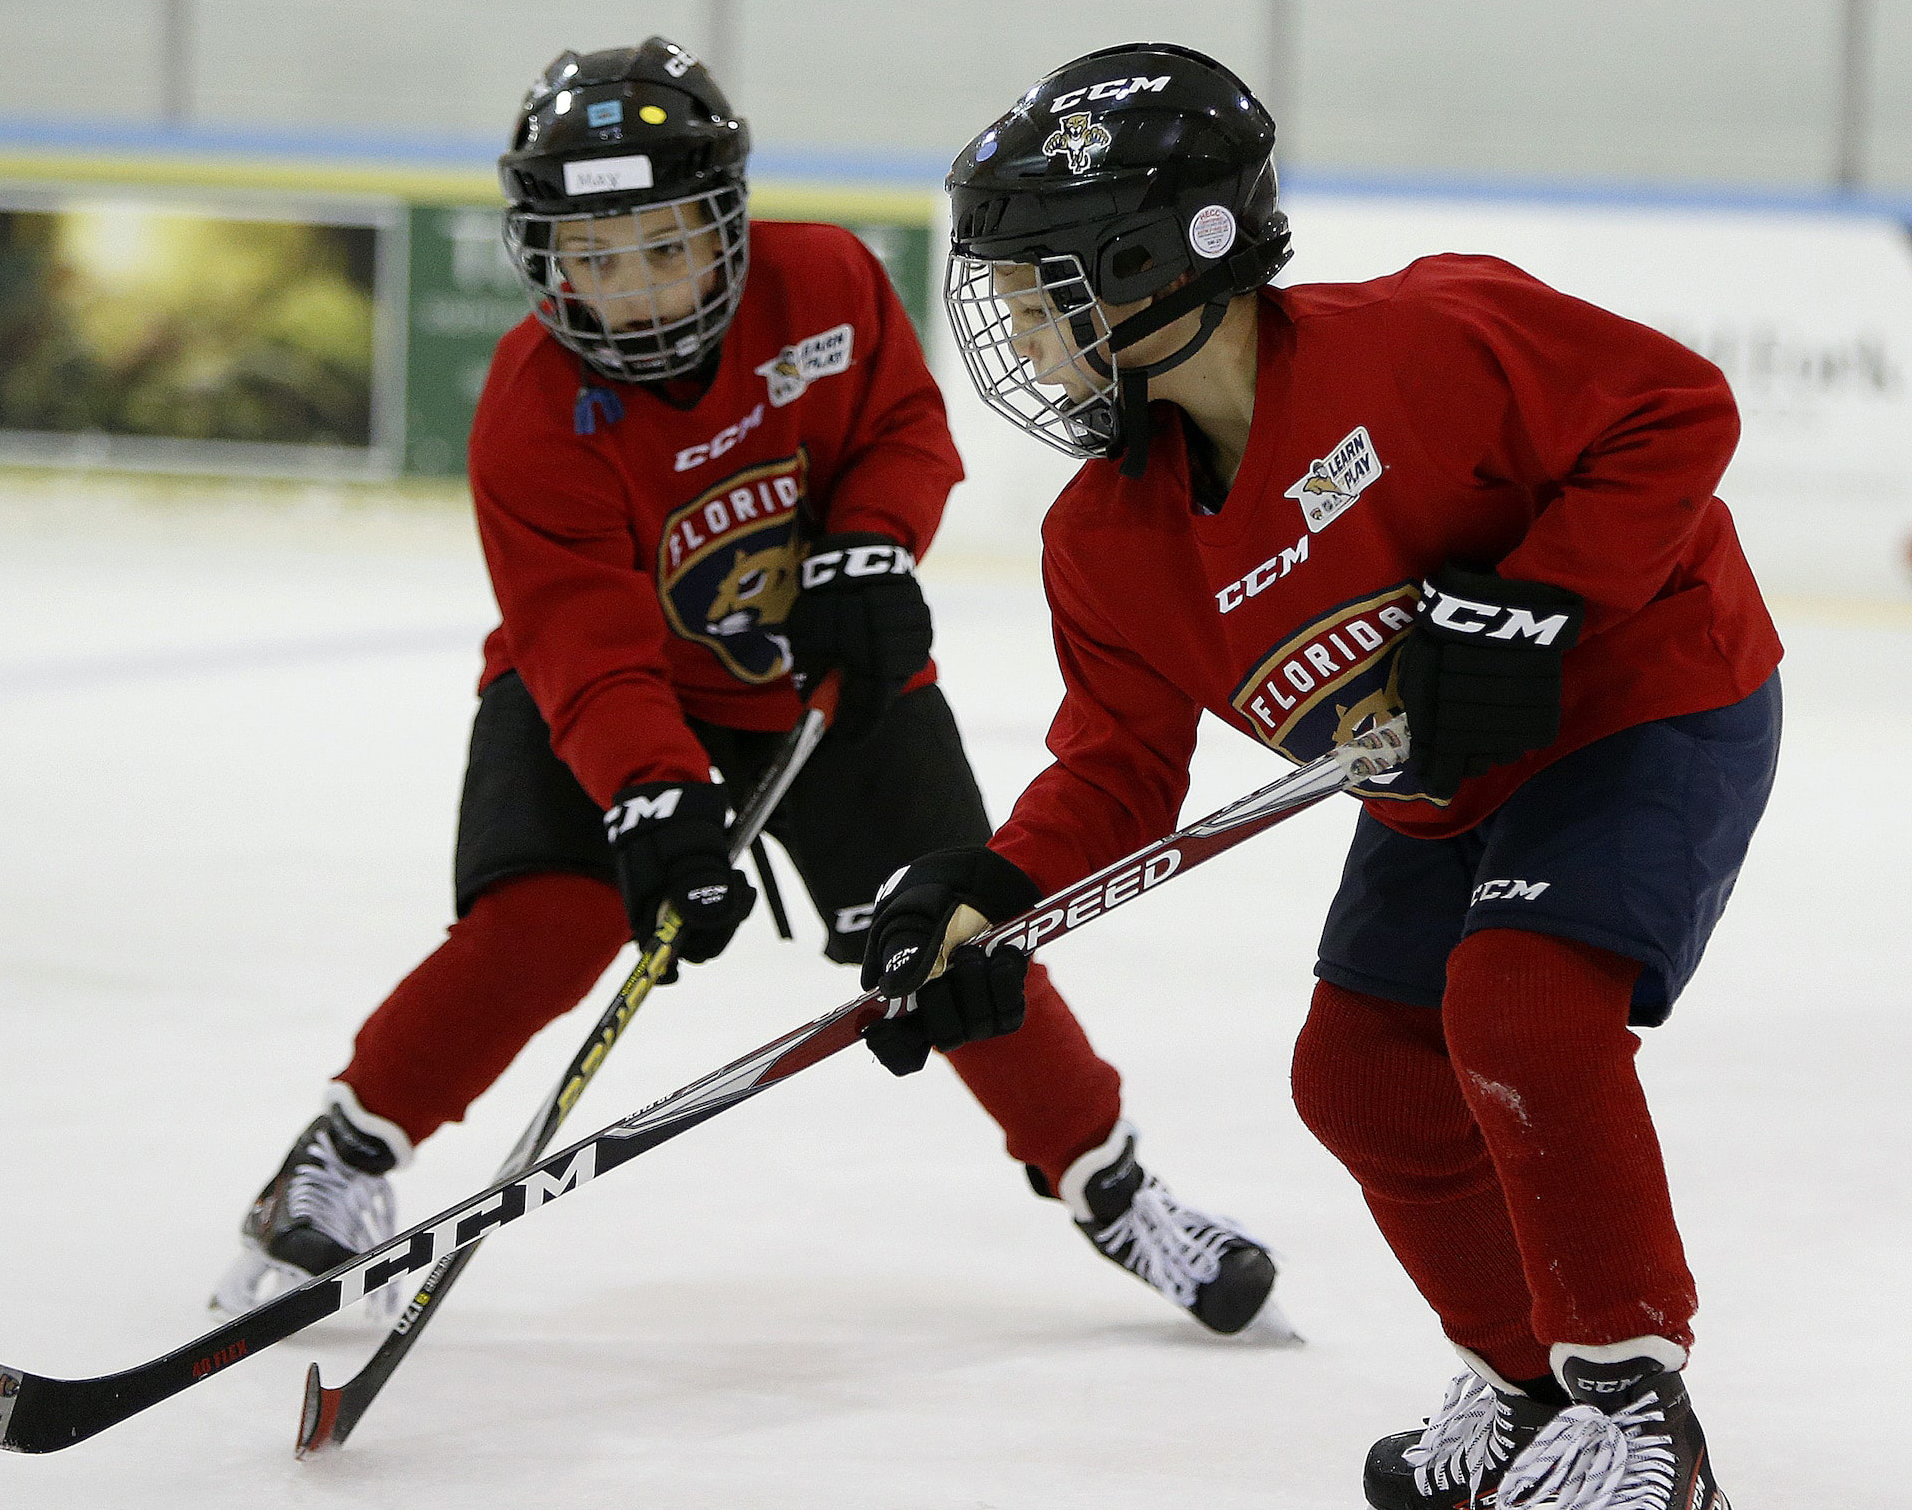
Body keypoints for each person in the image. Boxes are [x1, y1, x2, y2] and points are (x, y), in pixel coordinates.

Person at [211, 36, 1280, 1339]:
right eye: (595, 260)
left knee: (956, 935)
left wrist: (874, 544)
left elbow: (902, 426)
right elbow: (580, 635)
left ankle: (1112, 1185)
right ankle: (348, 1146)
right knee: (545, 919)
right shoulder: (532, 408)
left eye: (665, 246)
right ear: (542, 256)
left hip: (826, 678)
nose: (637, 291)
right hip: (616, 696)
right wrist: (653, 798)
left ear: (725, 227)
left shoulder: (824, 278)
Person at [863, 42, 1778, 1510]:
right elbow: (1114, 768)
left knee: (1519, 1004)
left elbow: (1675, 410)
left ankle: (1635, 1411)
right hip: (1442, 783)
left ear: (1162, 257)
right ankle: (1529, 1386)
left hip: (1644, 698)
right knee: (1356, 1072)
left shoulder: (1421, 338)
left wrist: (1537, 594)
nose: (1022, 341)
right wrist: (990, 893)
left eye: (1046, 295)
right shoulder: (1103, 538)